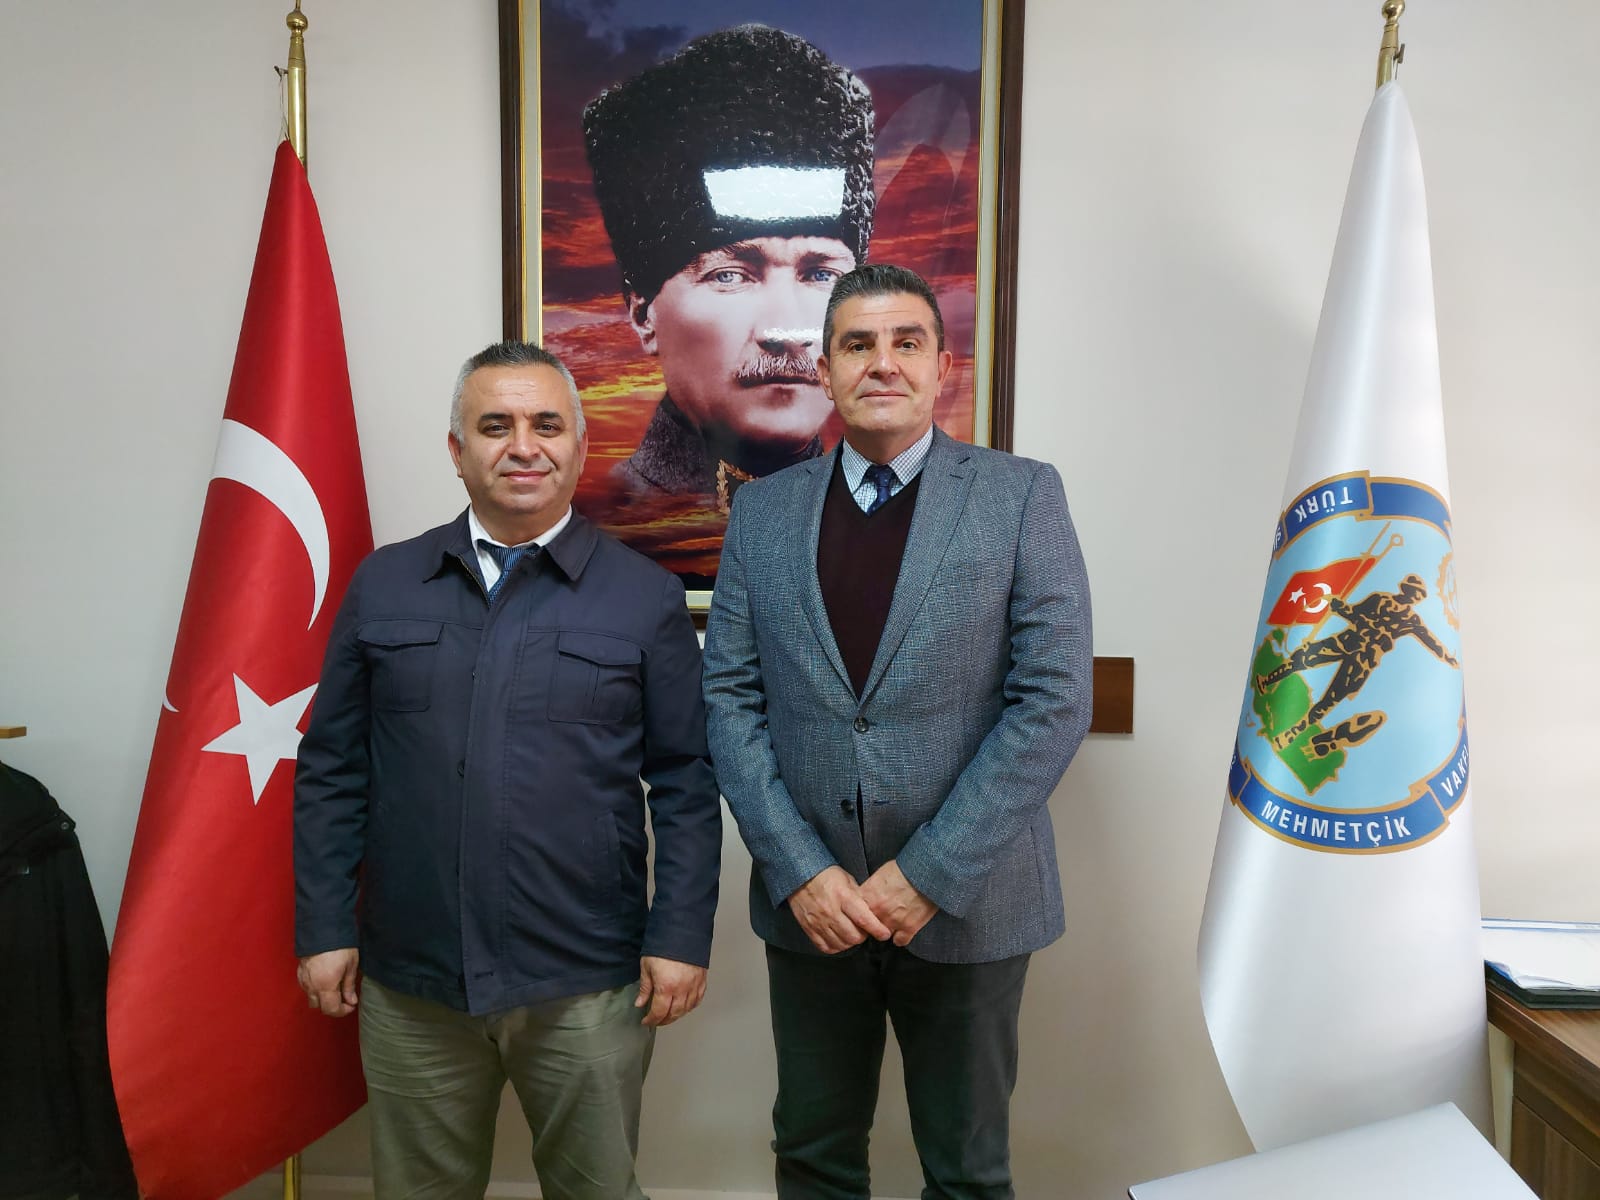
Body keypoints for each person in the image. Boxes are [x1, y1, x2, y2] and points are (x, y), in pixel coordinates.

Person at [293, 341, 721, 1198]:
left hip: (585, 978)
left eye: (546, 425)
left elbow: (685, 780)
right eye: (495, 426)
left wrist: (677, 937)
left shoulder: (643, 596)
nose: (523, 446)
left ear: (580, 446)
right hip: (413, 979)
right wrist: (324, 927)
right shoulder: (386, 584)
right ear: (458, 451)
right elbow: (332, 767)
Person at [702, 264, 1094, 1199]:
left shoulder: (1021, 496)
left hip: (968, 903)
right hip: (815, 908)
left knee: (966, 1173)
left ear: (941, 366)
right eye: (857, 344)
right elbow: (730, 698)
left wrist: (928, 875)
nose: (883, 363)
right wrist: (801, 869)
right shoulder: (762, 511)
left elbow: (1053, 700)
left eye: (906, 342)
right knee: (813, 1156)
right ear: (826, 370)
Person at [582, 25, 876, 511]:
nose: (786, 331)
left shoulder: (883, 519)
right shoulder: (604, 519)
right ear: (642, 313)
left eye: (820, 274)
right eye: (731, 275)